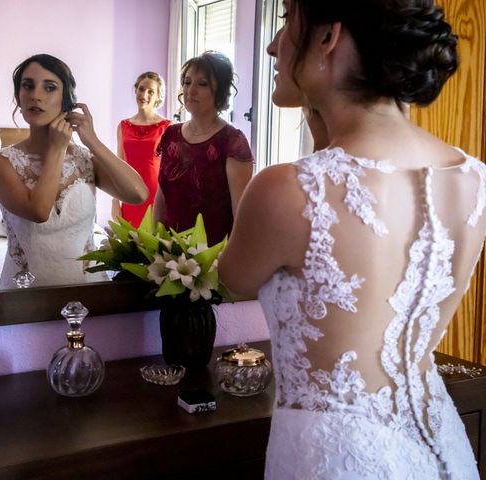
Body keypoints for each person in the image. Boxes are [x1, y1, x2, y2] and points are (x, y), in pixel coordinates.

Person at [218, 1, 482, 478]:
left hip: (334, 459)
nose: (274, 46)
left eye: (284, 22)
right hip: (445, 447)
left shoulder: (288, 188)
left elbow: (233, 280)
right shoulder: (474, 179)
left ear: (328, 37)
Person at [0, 54, 148, 289]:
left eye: (49, 87)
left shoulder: (85, 158)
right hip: (23, 296)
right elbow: (39, 212)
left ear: (67, 101)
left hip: (89, 290)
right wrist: (57, 149)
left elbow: (138, 194)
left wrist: (92, 140)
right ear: (18, 98)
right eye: (27, 86)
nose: (36, 95)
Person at [154, 51, 254, 245]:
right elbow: (161, 195)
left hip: (212, 257)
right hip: (168, 253)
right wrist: (155, 242)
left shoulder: (231, 141)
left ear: (220, 91)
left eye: (202, 84)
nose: (190, 90)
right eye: (187, 82)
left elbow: (240, 213)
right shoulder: (171, 134)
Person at [112, 72, 171, 227]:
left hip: (157, 197)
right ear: (135, 90)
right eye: (141, 89)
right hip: (130, 195)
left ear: (158, 96)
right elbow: (119, 166)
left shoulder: (168, 127)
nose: (144, 94)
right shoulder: (123, 126)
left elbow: (171, 171)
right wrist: (115, 201)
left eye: (151, 91)